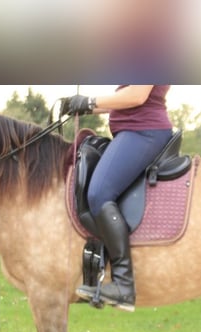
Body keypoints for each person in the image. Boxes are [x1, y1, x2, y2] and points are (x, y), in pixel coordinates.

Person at [61, 85, 173, 312]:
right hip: (131, 132)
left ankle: (123, 284)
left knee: (99, 194)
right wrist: (79, 105)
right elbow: (121, 100)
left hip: (144, 132)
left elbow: (136, 96)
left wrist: (90, 101)